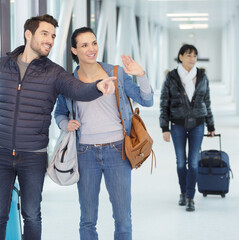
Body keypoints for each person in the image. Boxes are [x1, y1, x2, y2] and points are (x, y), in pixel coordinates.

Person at [0, 15, 115, 240]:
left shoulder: (54, 72)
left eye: (53, 36)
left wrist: (98, 87)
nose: (50, 40)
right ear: (29, 34)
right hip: (0, 154)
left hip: (33, 156)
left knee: (32, 215)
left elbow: (77, 90)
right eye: (45, 34)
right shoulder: (0, 66)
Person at [54, 27, 154, 240]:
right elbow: (60, 113)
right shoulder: (69, 81)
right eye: (84, 45)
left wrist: (141, 75)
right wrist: (65, 124)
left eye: (94, 43)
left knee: (123, 218)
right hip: (85, 153)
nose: (91, 49)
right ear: (74, 50)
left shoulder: (115, 73)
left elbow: (147, 100)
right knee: (88, 218)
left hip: (117, 151)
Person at [159, 44, 215, 212]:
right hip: (178, 125)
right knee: (181, 163)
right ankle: (183, 192)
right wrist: (164, 127)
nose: (192, 59)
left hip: (198, 124)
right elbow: (164, 103)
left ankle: (190, 197)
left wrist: (210, 125)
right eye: (189, 55)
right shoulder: (171, 77)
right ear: (181, 57)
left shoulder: (202, 76)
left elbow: (207, 101)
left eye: (195, 56)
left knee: (194, 163)